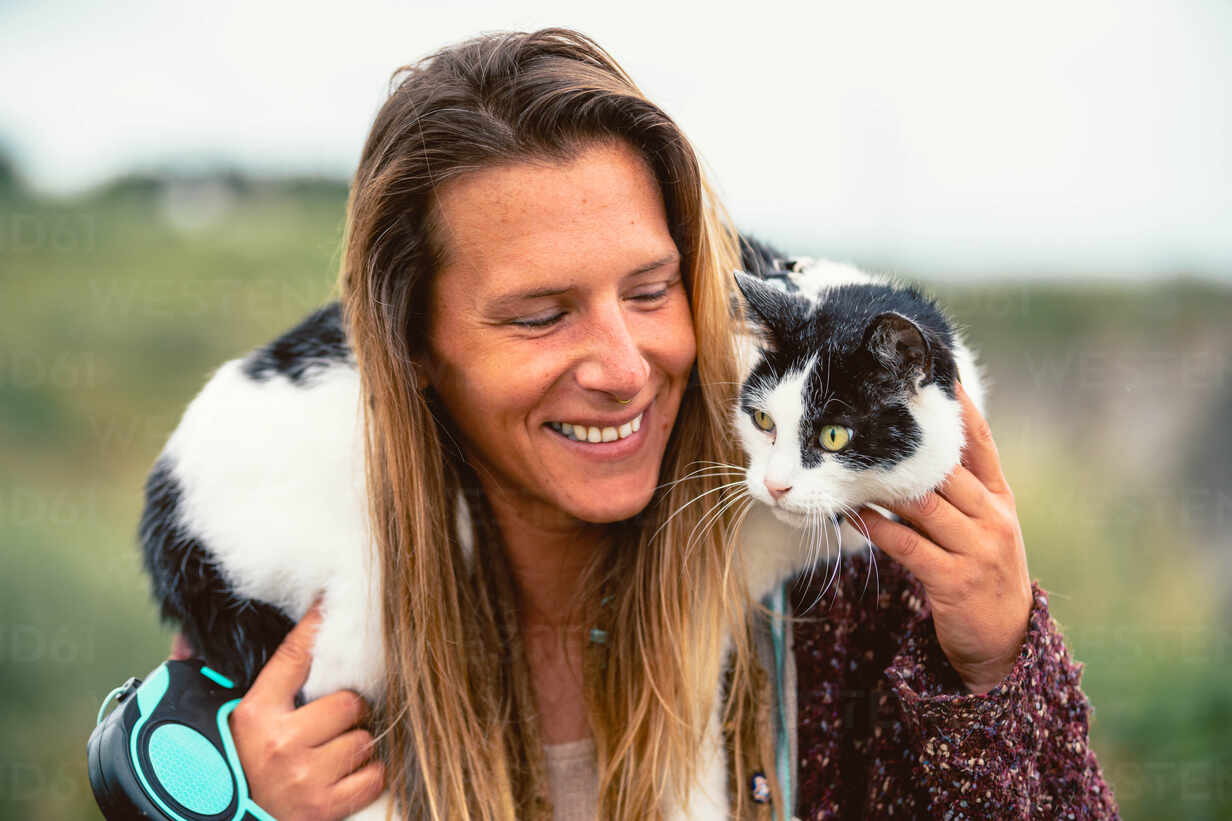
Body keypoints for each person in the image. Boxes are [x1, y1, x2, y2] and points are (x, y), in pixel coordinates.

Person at [168, 28, 1119, 820]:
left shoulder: (843, 574)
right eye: (542, 314)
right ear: (412, 345)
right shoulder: (292, 616)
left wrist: (994, 674)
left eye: (652, 289)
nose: (625, 369)